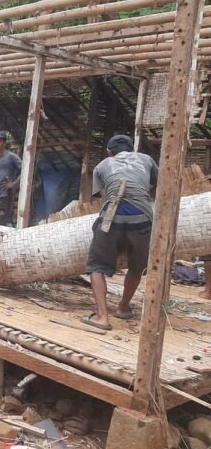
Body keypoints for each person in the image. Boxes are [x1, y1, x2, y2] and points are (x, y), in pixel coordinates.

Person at [83, 134, 158, 329]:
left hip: (112, 219)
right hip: (142, 219)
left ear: (109, 151)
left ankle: (102, 317)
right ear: (132, 149)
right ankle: (123, 308)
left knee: (96, 266)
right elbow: (156, 184)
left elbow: (103, 195)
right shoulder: (146, 159)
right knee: (136, 268)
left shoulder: (102, 165)